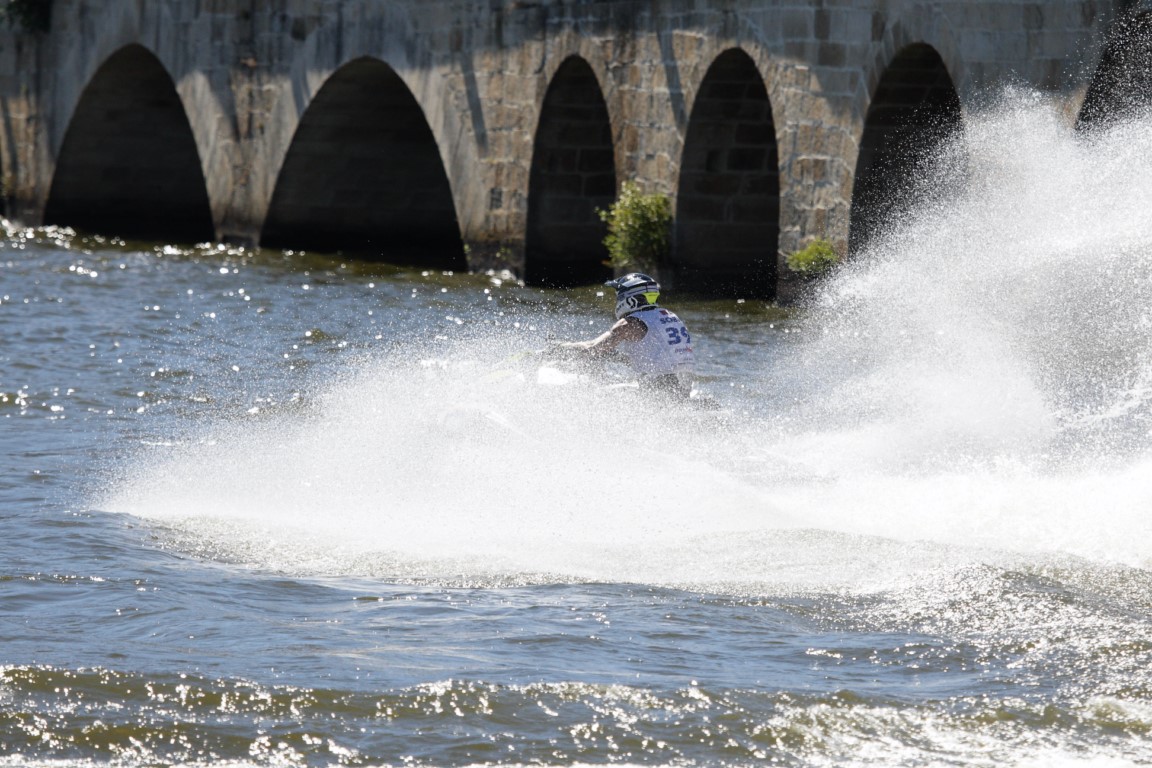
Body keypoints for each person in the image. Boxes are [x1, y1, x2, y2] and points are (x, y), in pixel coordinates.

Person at [550, 272, 694, 398]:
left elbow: (591, 349)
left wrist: (557, 349)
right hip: (681, 391)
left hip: (657, 393)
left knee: (592, 392)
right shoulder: (670, 316)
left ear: (629, 299)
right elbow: (656, 359)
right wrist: (614, 356)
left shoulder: (630, 323)